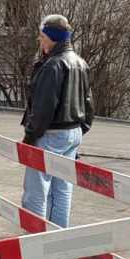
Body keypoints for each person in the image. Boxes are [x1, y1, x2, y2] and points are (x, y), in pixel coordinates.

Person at [20, 14, 93, 227]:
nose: (39, 40)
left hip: (50, 133)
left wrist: (30, 135)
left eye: (42, 36)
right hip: (73, 131)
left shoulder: (52, 65)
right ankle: (59, 234)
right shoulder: (81, 63)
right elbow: (89, 103)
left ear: (52, 38)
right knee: (62, 188)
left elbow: (43, 107)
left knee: (37, 189)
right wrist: (81, 129)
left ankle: (36, 235)